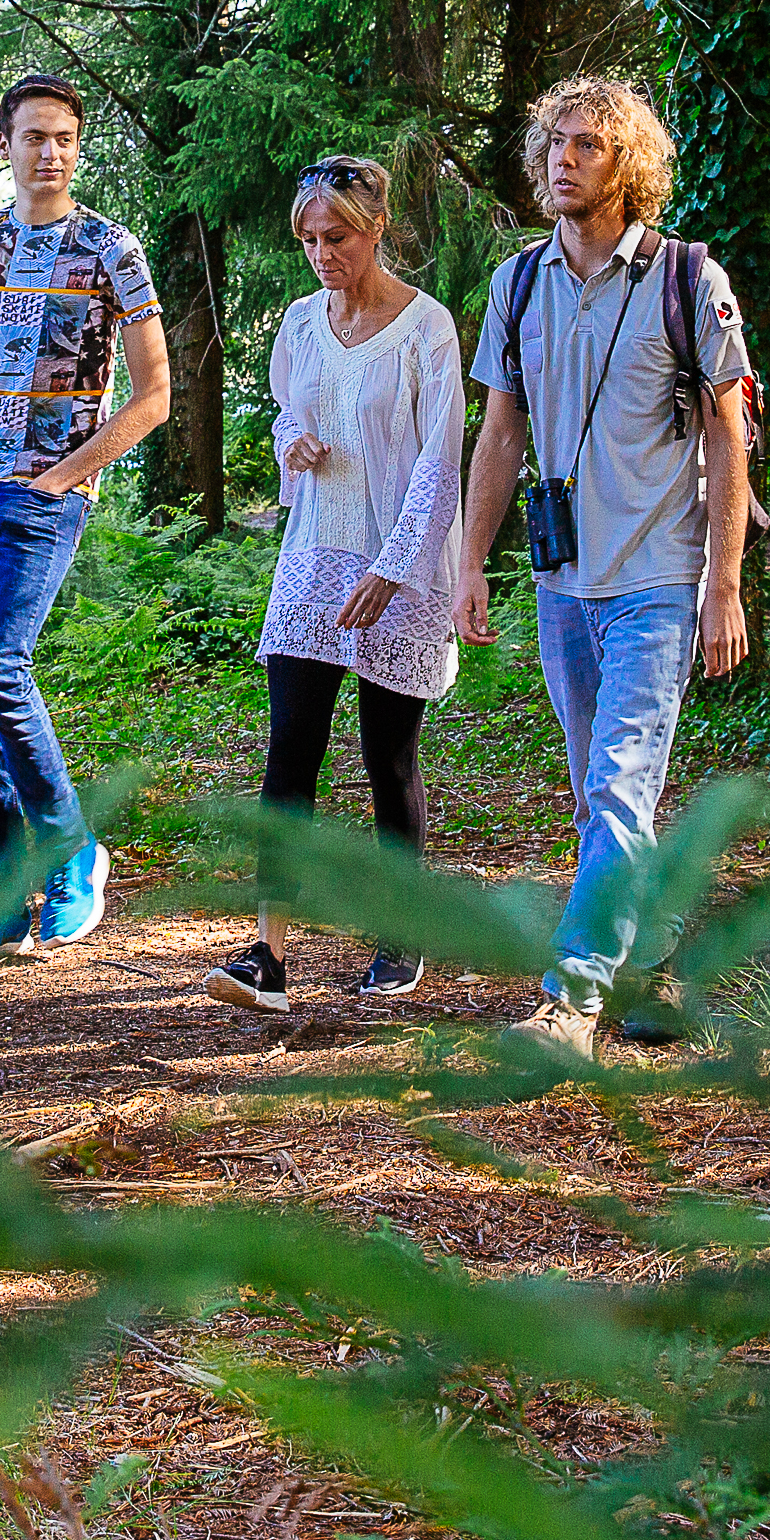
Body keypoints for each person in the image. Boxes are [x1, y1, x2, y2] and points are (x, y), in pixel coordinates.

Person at [455, 76, 754, 1060]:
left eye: (587, 145)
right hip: (560, 581)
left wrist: (722, 584)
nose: (562, 159)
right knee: (598, 795)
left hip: (659, 581)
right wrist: (468, 564)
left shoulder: (686, 279)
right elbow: (499, 435)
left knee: (623, 783)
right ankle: (654, 971)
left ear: (629, 167)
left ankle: (571, 999)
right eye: (554, 144)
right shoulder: (517, 284)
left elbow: (727, 433)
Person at [0, 72, 171, 967]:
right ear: (6, 143)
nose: (50, 151)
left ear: (77, 144)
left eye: (64, 136)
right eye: (34, 136)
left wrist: (65, 476)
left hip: (45, 496)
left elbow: (155, 397)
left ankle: (74, 853)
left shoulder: (111, 248)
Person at [202, 156, 466, 1015]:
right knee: (290, 750)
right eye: (310, 239)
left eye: (338, 237)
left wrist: (395, 570)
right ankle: (267, 957)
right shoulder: (300, 324)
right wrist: (295, 443)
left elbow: (439, 461)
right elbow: (293, 410)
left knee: (387, 758)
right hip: (316, 558)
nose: (322, 253)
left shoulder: (427, 329)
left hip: (400, 570)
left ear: (377, 226)